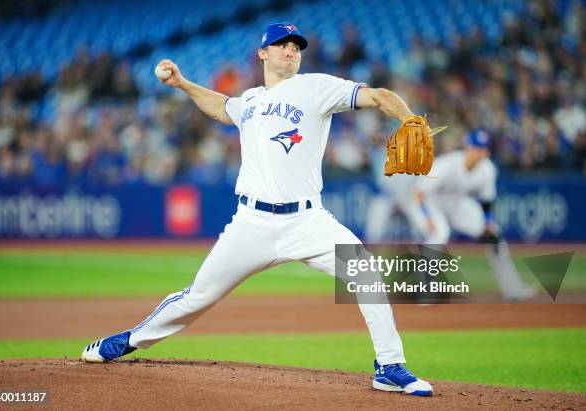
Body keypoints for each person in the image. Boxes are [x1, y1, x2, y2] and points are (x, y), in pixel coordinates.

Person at [82, 22, 435, 396]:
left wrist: (409, 119)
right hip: (251, 223)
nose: (291, 51)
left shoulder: (316, 87)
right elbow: (221, 108)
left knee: (366, 274)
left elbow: (379, 95)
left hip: (307, 220)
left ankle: (390, 366)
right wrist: (184, 85)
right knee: (198, 297)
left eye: (296, 46)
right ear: (262, 53)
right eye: (281, 45)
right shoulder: (250, 100)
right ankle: (130, 339)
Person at [409, 129, 538, 301]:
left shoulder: (487, 169)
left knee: (495, 235)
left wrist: (488, 223)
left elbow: (487, 201)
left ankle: (513, 289)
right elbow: (418, 192)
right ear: (468, 147)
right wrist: (427, 217)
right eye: (477, 148)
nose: (480, 153)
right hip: (428, 203)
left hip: (456, 204)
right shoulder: (447, 164)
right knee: (439, 233)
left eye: (484, 149)